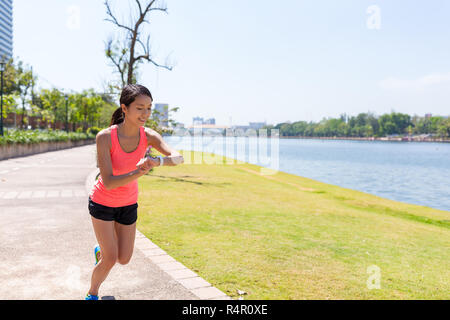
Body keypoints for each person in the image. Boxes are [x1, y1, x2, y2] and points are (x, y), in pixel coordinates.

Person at [85, 84, 184, 300]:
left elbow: (178, 158)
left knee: (124, 258)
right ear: (125, 108)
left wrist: (156, 161)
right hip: (102, 202)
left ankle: (100, 251)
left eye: (149, 108)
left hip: (128, 204)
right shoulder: (105, 137)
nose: (145, 114)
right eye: (140, 108)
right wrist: (141, 171)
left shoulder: (148, 136)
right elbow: (109, 182)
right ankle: (92, 294)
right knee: (111, 259)